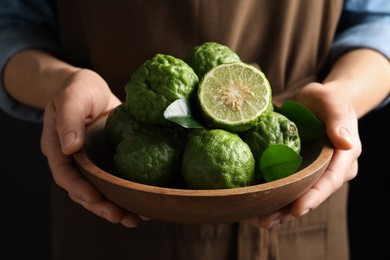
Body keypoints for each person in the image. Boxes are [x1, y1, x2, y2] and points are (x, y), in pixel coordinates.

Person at [1, 0, 389, 259]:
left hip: (297, 185)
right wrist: (60, 84)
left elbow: (378, 19)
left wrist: (343, 95)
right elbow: (13, 24)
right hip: (112, 195)